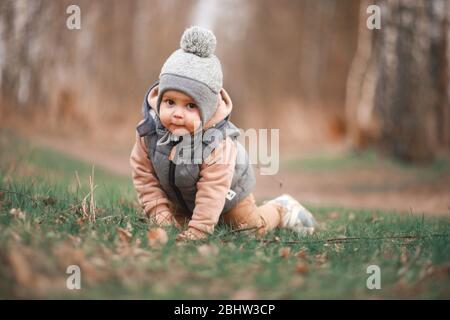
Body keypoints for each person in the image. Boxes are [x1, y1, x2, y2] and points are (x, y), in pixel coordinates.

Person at [130, 26, 316, 241]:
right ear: (160, 99)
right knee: (173, 225)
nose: (178, 114)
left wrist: (199, 230)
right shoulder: (149, 131)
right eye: (170, 102)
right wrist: (159, 214)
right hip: (182, 197)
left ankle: (281, 209)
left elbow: (213, 190)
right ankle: (191, 217)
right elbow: (144, 177)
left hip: (229, 195)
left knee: (248, 229)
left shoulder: (216, 143)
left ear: (208, 110)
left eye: (191, 106)